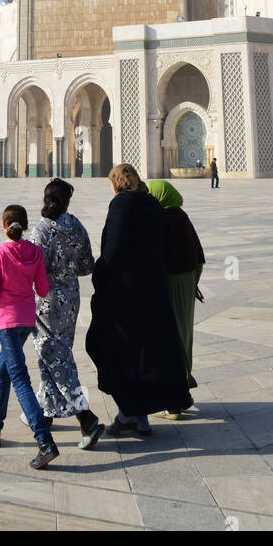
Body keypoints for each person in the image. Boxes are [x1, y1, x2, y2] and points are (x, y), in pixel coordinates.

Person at [86, 164, 192, 437]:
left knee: (110, 347)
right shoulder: (153, 204)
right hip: (154, 290)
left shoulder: (122, 205)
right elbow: (168, 245)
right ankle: (139, 417)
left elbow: (114, 247)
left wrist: (101, 275)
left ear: (117, 183)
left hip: (125, 293)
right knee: (145, 353)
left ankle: (128, 413)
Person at [0, 204, 60, 470]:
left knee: (19, 377)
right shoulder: (34, 252)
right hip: (26, 321)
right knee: (2, 372)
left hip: (6, 324)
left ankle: (44, 441)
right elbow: (43, 289)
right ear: (25, 226)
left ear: (4, 225)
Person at [28, 178, 103, 450]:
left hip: (46, 302)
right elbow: (86, 266)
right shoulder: (76, 227)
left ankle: (86, 417)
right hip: (70, 300)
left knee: (53, 355)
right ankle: (46, 414)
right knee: (56, 353)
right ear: (67, 201)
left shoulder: (41, 230)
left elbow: (32, 269)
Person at [147, 180, 206, 419]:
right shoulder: (182, 217)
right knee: (184, 335)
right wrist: (193, 283)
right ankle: (183, 389)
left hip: (167, 285)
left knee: (164, 338)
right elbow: (198, 256)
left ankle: (171, 403)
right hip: (188, 283)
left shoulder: (157, 220)